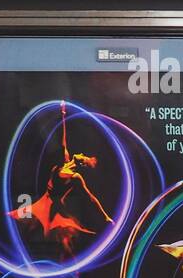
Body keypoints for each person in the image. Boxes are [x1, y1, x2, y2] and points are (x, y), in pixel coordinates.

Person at [12, 101, 113, 259]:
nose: (80, 154)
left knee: (63, 243)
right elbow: (63, 139)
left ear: (80, 162)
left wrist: (105, 216)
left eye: (83, 156)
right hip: (44, 203)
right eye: (82, 155)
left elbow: (90, 198)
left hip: (53, 208)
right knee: (24, 229)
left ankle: (71, 276)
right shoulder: (65, 159)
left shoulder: (74, 176)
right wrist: (63, 115)